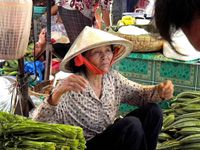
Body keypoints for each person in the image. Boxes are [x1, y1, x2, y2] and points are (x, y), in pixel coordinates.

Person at [33, 26, 174, 150]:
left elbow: (140, 95)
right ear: (83, 58)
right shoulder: (71, 85)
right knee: (131, 126)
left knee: (153, 112)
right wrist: (55, 95)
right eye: (97, 52)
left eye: (108, 50)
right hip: (85, 145)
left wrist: (159, 91)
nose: (105, 56)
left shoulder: (112, 78)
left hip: (108, 138)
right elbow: (38, 124)